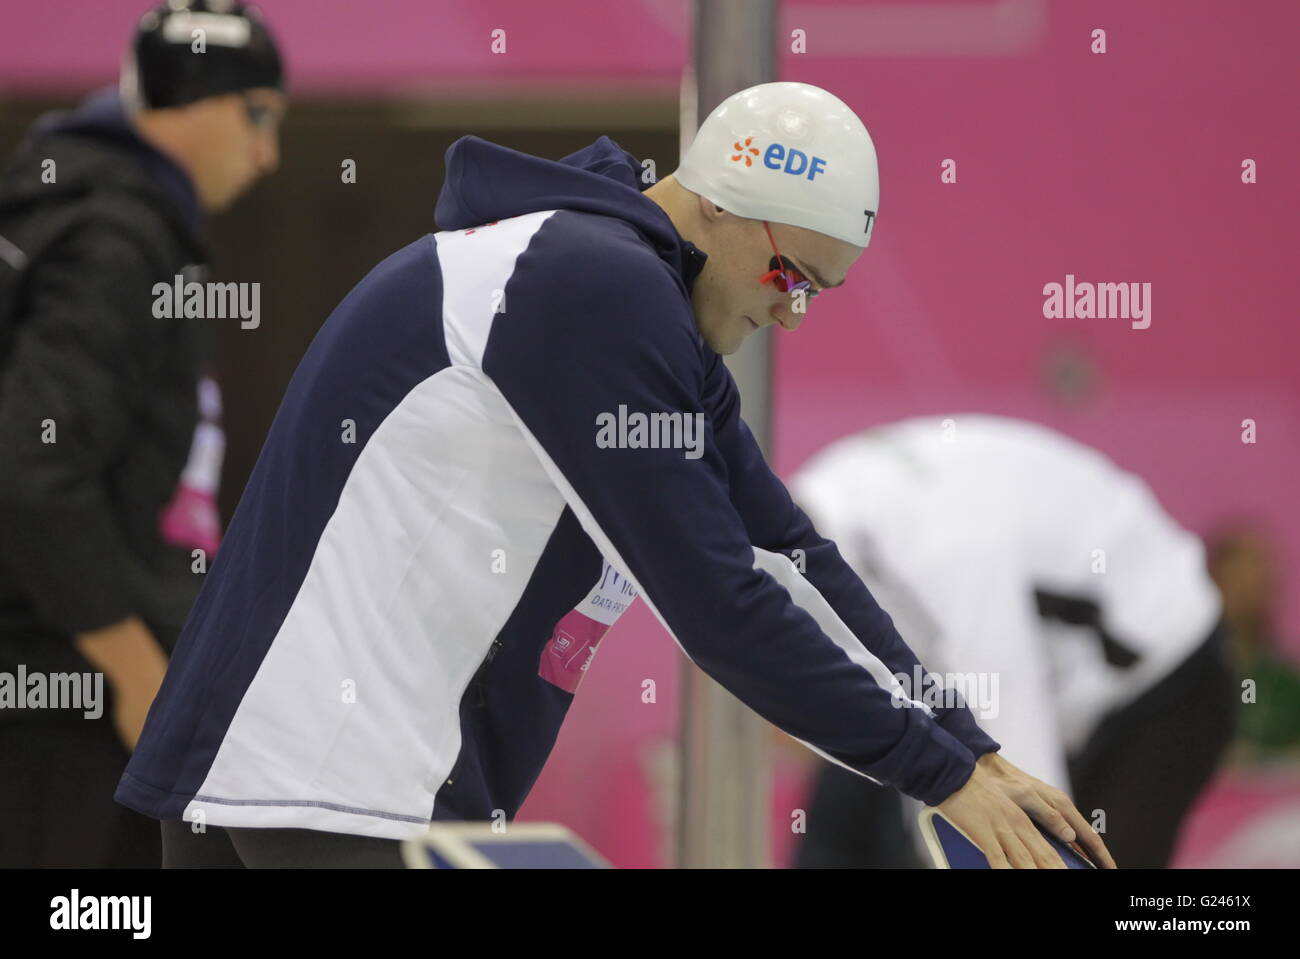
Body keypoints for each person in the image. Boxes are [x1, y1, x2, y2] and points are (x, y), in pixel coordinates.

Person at [114, 82, 1113, 869]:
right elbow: (719, 605)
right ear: (720, 205)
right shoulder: (592, 287)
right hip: (335, 783)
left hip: (274, 770)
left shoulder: (625, 304)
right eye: (788, 275)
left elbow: (789, 553)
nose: (793, 313)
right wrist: (937, 776)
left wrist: (969, 746)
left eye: (821, 292)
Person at [0, 0, 285, 867]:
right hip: (64, 694)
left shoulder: (96, 217)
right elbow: (31, 468)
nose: (268, 154)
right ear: (192, 103)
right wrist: (134, 676)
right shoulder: (114, 239)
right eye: (260, 115)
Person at [788, 414, 1235, 868]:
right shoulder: (819, 500)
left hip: (1167, 675)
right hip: (1055, 666)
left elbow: (1012, 754)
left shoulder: (942, 554)